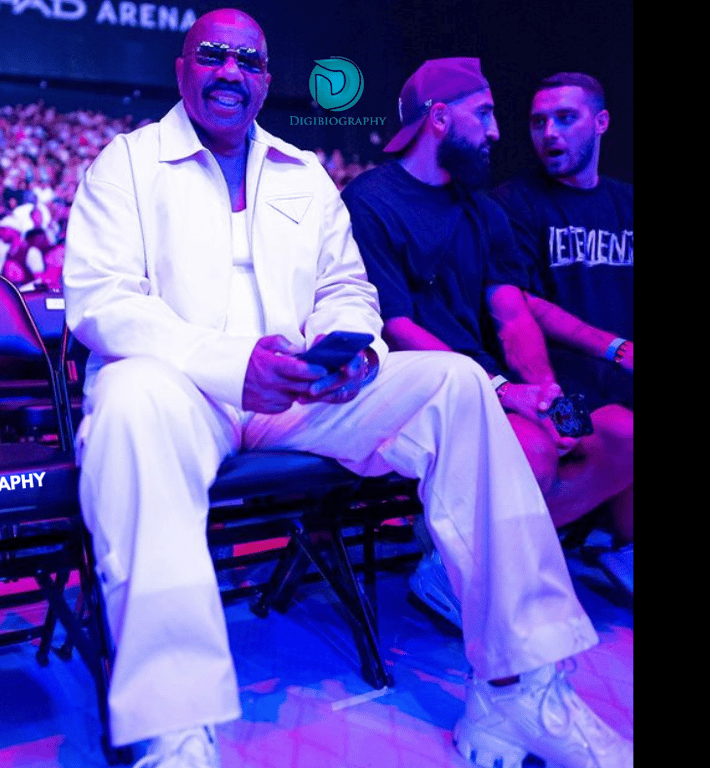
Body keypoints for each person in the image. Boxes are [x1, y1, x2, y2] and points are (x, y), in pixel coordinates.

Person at [64, 13, 632, 768]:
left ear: (267, 78)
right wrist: (236, 364)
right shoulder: (126, 165)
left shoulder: (301, 171)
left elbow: (347, 289)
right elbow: (103, 302)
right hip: (182, 391)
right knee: (128, 404)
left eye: (248, 60)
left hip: (304, 391)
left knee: (456, 383)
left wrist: (354, 353)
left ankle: (517, 688)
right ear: (182, 69)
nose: (230, 71)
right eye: (213, 55)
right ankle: (174, 732)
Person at [340, 59, 633, 604]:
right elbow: (396, 326)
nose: (498, 131)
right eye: (486, 114)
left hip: (485, 383)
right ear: (441, 119)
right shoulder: (370, 201)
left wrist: (544, 393)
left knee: (622, 433)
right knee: (532, 451)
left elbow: (512, 314)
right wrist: (502, 391)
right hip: (416, 387)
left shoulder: (481, 210)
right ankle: (456, 565)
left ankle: (456, 553)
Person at [489, 73, 633, 591]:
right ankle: (479, 555)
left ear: (600, 122)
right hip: (557, 391)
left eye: (565, 118)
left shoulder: (625, 202)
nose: (549, 132)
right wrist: (614, 348)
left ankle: (619, 551)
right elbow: (514, 302)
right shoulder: (512, 203)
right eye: (538, 121)